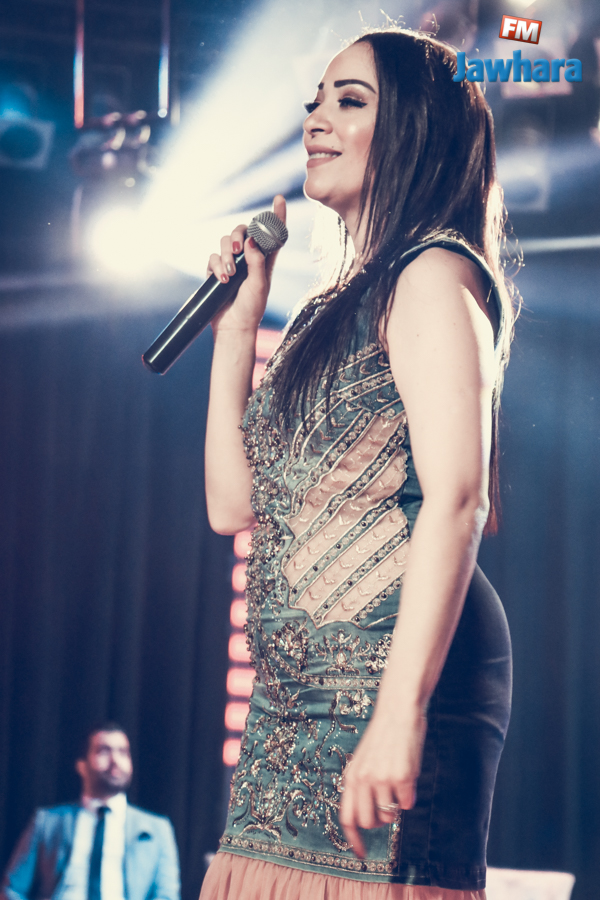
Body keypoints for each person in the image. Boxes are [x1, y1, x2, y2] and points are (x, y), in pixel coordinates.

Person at [201, 26, 515, 900]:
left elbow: (459, 497)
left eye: (350, 100)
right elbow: (232, 504)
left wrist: (400, 713)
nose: (316, 120)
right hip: (288, 707)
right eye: (314, 102)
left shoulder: (434, 272)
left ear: (415, 125)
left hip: (396, 674)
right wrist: (238, 325)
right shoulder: (322, 311)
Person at [1, 724, 180, 900]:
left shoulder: (157, 829)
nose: (115, 761)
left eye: (123, 752)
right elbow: (12, 889)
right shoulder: (47, 822)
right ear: (82, 766)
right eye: (104, 751)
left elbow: (167, 895)